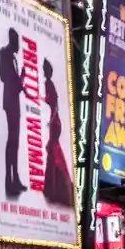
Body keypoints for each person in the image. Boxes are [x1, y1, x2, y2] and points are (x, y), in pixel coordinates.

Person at [41, 59, 74, 207]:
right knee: (53, 153)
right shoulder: (48, 83)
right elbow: (51, 102)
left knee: (54, 154)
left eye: (45, 69)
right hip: (55, 122)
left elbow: (55, 106)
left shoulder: (49, 84)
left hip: (55, 123)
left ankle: (58, 190)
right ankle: (55, 189)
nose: (43, 71)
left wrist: (51, 119)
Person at [0, 28, 26, 198]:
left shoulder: (13, 56)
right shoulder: (5, 53)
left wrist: (21, 79)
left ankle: (15, 177)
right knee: (12, 140)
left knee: (15, 141)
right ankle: (9, 180)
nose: (19, 47)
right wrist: (19, 80)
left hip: (14, 101)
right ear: (13, 41)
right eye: (17, 43)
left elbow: (15, 83)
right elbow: (4, 76)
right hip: (10, 101)